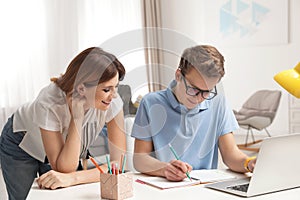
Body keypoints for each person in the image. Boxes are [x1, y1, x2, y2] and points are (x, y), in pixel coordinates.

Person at [0, 47, 127, 199]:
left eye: (116, 87)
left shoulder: (112, 100)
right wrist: (77, 118)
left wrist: (74, 178)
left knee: (63, 192)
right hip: (21, 143)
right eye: (107, 89)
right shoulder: (49, 102)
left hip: (60, 150)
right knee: (26, 197)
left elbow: (119, 162)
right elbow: (64, 169)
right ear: (81, 88)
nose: (114, 96)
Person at [131, 45, 256, 181]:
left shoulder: (218, 103)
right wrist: (165, 169)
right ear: (178, 75)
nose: (199, 98)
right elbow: (140, 158)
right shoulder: (150, 103)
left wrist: (248, 163)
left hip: (203, 187)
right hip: (165, 186)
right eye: (194, 89)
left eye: (207, 91)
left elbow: (230, 154)